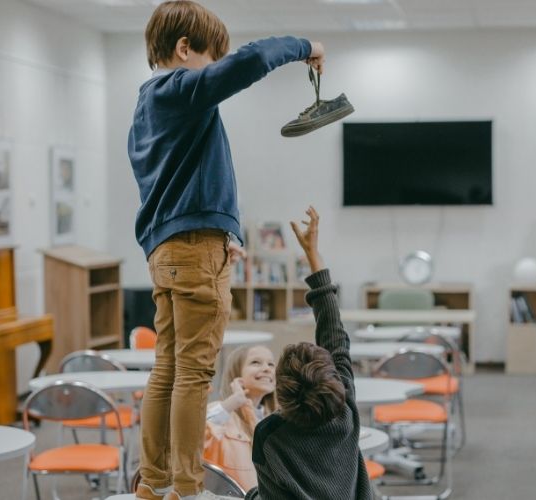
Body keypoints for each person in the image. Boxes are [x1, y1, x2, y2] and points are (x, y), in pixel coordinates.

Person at [128, 2, 326, 499]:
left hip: (169, 249)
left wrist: (217, 231)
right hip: (193, 251)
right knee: (193, 375)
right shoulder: (181, 90)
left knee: (168, 369)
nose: (214, 68)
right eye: (209, 58)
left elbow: (175, 188)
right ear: (183, 49)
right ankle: (187, 490)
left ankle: (153, 486)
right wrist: (308, 47)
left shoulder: (146, 104)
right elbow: (251, 60)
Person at [245, 206, 372, 500]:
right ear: (333, 381)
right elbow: (334, 333)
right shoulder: (345, 410)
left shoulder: (268, 434)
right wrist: (314, 255)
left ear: (282, 392)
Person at [203, 345, 277, 491]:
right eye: (255, 362)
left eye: (271, 364)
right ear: (236, 373)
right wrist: (233, 402)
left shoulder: (273, 420)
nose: (267, 368)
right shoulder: (222, 411)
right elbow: (191, 436)